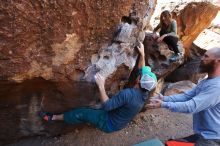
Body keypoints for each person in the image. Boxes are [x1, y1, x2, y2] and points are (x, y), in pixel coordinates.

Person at [40, 42, 157, 133]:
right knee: (103, 103)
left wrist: (101, 85)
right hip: (120, 121)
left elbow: (107, 106)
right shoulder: (144, 92)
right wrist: (142, 54)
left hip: (109, 123)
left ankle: (53, 117)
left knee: (82, 113)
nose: (140, 72)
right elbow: (142, 69)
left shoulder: (128, 94)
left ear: (138, 80)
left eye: (141, 75)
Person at [147, 47, 220, 146]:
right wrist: (165, 98)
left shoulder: (216, 87)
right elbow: (188, 96)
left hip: (212, 139)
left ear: (217, 61)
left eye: (206, 56)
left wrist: (164, 104)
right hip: (205, 133)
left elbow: (192, 106)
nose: (202, 58)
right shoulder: (208, 80)